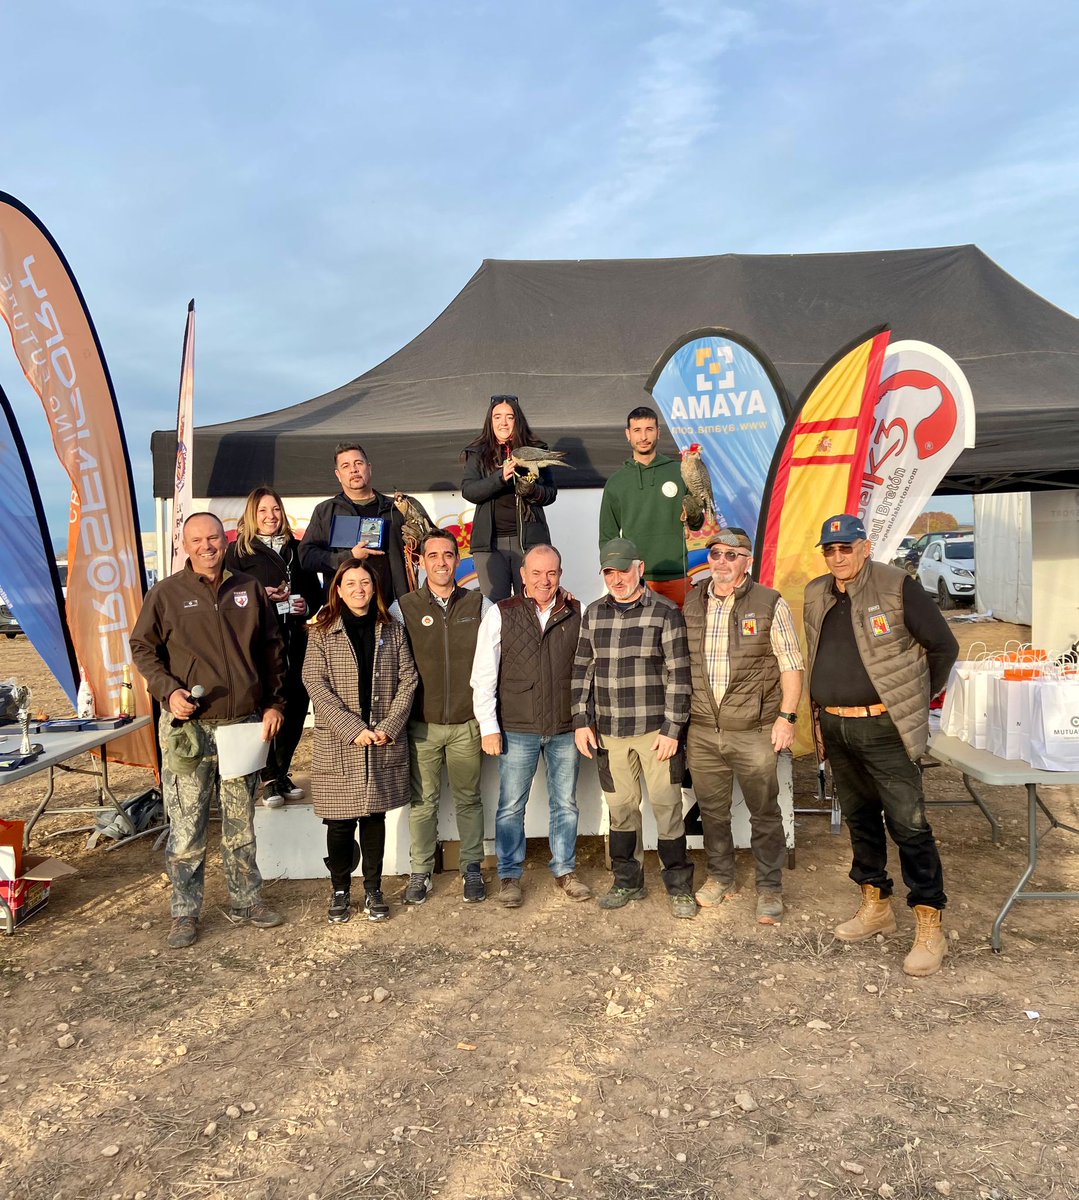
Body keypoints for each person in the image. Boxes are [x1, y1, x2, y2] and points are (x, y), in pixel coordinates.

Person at [804, 513, 959, 977]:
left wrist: (915, 700)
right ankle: (876, 905)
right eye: (830, 550)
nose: (837, 557)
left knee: (909, 824)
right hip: (836, 724)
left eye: (846, 548)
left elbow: (944, 646)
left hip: (884, 727)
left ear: (865, 547)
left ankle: (929, 922)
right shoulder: (816, 592)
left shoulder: (896, 586)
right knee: (860, 818)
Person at [130, 512, 286, 949]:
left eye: (213, 538)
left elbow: (273, 649)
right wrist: (168, 691)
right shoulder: (166, 594)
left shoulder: (249, 589)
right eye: (197, 540)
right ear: (186, 545)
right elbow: (142, 648)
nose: (207, 546)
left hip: (241, 726)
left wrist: (275, 703)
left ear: (225, 540)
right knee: (187, 826)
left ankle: (247, 900)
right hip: (189, 730)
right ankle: (184, 912)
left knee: (240, 824)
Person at [683, 528, 804, 924]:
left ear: (747, 561)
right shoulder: (692, 600)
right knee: (712, 813)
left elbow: (791, 664)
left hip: (753, 730)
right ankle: (721, 877)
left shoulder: (769, 602)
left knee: (764, 812)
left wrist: (787, 717)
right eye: (715, 554)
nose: (721, 561)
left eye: (731, 555)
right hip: (703, 729)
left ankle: (769, 887)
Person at [571, 538, 695, 916]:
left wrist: (673, 728)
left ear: (639, 568)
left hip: (656, 733)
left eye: (623, 570)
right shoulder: (593, 614)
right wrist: (581, 721)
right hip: (609, 733)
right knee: (621, 810)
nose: (617, 579)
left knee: (667, 808)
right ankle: (628, 882)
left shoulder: (666, 613)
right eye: (609, 572)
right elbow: (582, 670)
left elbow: (679, 675)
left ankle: (679, 886)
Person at [471, 544, 590, 908]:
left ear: (560, 574)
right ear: (523, 575)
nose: (544, 580)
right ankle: (509, 875)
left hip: (564, 727)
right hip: (517, 727)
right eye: (536, 573)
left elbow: (588, 670)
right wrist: (488, 726)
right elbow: (483, 674)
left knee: (565, 804)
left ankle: (565, 870)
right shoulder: (501, 613)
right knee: (511, 806)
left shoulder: (577, 611)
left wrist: (586, 720)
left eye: (551, 573)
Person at [302, 558, 418, 924]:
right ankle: (340, 889)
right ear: (338, 589)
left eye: (364, 582)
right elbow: (315, 683)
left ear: (374, 587)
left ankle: (373, 889)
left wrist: (390, 724)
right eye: (350, 583)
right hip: (341, 742)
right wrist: (352, 728)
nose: (358, 589)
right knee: (339, 823)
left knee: (373, 818)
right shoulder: (322, 631)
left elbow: (409, 679)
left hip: (381, 739)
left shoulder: (392, 629)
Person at [391, 530, 491, 905]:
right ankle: (421, 872)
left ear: (457, 559)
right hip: (423, 725)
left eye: (448, 555)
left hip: (466, 723)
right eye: (432, 556)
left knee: (469, 800)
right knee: (423, 803)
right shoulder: (403, 608)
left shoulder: (480, 604)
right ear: (421, 561)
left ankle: (472, 868)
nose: (441, 562)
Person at [225, 486, 323, 809]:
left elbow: (316, 593)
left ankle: (281, 771)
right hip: (259, 646)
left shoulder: (297, 548)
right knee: (268, 710)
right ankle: (267, 778)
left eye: (276, 509)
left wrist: (305, 605)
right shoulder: (238, 552)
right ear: (252, 515)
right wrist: (260, 597)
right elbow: (226, 598)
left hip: (295, 640)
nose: (271, 516)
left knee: (296, 707)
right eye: (263, 511)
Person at [299, 442, 433, 606]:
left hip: (394, 606)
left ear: (369, 468)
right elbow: (306, 557)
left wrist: (418, 544)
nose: (353, 470)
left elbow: (432, 546)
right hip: (344, 609)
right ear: (338, 475)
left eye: (358, 463)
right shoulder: (326, 511)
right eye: (346, 466)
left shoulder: (397, 508)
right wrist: (349, 557)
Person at [598, 405, 704, 607]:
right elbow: (607, 538)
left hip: (677, 575)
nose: (643, 436)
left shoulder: (679, 471)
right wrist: (620, 574)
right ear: (628, 434)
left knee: (681, 628)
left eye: (649, 429)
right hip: (636, 580)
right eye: (637, 430)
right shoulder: (616, 482)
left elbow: (697, 523)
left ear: (658, 432)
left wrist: (694, 512)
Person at [461, 394, 558, 602]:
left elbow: (550, 493)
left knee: (531, 604)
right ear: (490, 421)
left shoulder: (536, 449)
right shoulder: (477, 452)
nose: (503, 422)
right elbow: (469, 491)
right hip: (490, 546)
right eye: (497, 417)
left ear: (517, 420)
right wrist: (499, 478)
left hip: (529, 542)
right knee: (494, 608)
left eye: (509, 417)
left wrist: (531, 490)